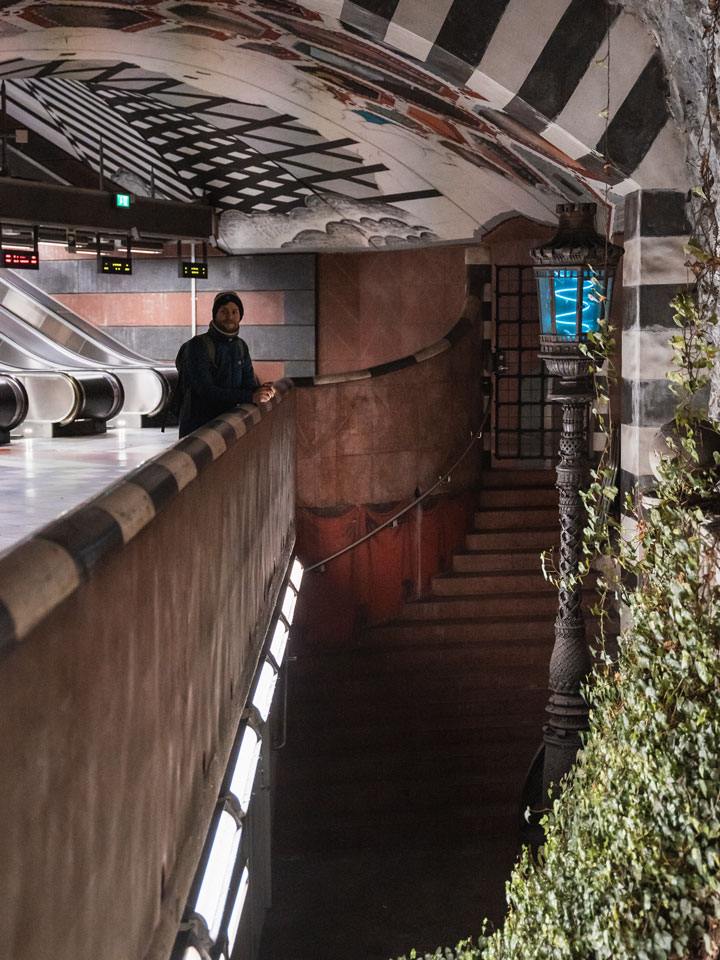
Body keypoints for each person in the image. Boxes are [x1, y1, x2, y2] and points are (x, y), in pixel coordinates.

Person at [178, 291, 275, 438]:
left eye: (234, 312)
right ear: (215, 314)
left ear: (240, 316)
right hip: (198, 431)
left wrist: (261, 391)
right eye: (223, 311)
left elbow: (247, 385)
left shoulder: (241, 346)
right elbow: (205, 390)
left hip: (227, 429)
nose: (229, 317)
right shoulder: (198, 345)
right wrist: (250, 396)